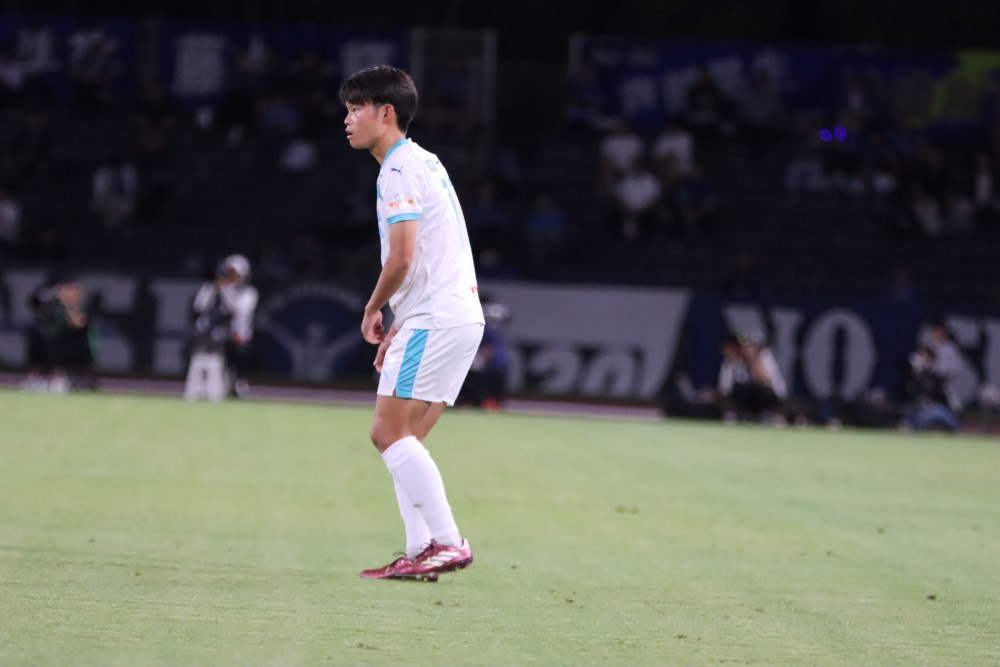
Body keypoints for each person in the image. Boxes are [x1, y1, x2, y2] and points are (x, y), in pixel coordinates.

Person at [340, 65, 484, 582]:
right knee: (406, 441)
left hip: (436, 318)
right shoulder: (426, 160)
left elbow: (402, 258)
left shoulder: (397, 170)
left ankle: (447, 542)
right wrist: (400, 321)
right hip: (457, 316)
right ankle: (421, 550)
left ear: (387, 113)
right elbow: (432, 255)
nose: (347, 119)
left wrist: (373, 309)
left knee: (387, 433)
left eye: (356, 108)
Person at [190, 254, 259, 397]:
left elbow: (239, 309)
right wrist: (212, 289)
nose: (233, 277)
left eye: (236, 274)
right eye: (230, 272)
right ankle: (205, 385)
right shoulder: (214, 287)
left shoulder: (249, 292)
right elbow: (199, 306)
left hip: (238, 334)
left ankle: (237, 383)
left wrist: (225, 291)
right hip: (214, 332)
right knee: (203, 352)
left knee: (237, 356)